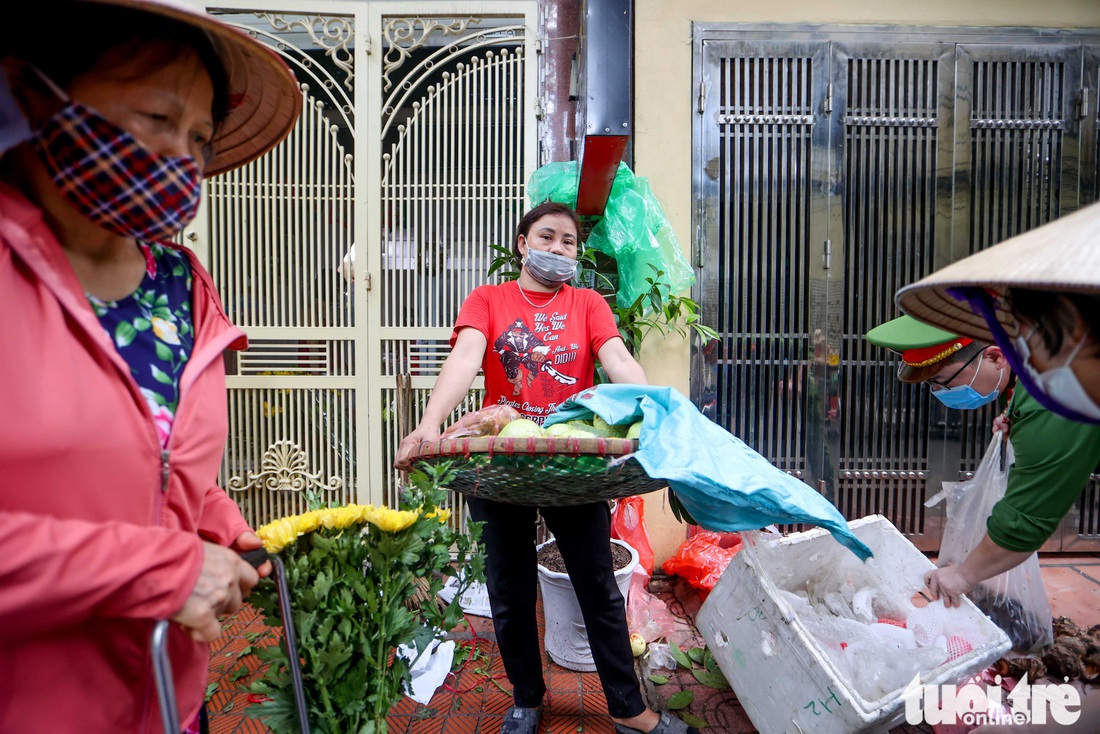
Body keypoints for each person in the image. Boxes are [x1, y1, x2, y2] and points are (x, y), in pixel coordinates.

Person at [0, 1, 301, 732]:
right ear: (35, 97)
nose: (182, 157)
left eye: (198, 136)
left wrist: (227, 526)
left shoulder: (181, 289)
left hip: (171, 705)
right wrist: (155, 571)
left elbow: (159, 463)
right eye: (156, 119)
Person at [394, 201, 698, 734]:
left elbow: (618, 359)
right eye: (547, 237)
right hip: (502, 465)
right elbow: (466, 357)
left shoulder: (587, 303)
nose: (558, 249)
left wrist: (654, 408)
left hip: (569, 464)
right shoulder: (489, 299)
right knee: (509, 589)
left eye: (569, 243)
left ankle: (629, 709)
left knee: (598, 587)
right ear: (522, 242)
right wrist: (429, 423)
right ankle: (527, 701)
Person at [895, 202, 1100, 733]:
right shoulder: (1053, 393)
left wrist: (961, 574)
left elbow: (1027, 521)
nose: (1027, 357)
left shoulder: (1059, 402)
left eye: (1032, 340)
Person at [866, 315, 1100, 612]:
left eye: (942, 382)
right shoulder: (1043, 355)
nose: (940, 394)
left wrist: (965, 575)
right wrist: (1017, 412)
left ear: (995, 357)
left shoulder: (1049, 391)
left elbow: (1026, 520)